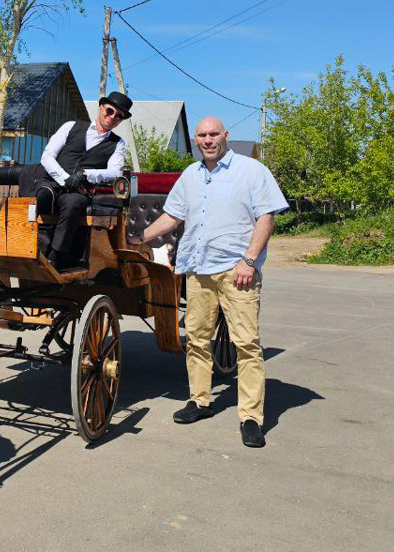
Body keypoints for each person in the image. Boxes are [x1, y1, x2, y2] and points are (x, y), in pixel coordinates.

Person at [128, 117, 288, 448]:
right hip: (198, 269)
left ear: (225, 136)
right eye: (202, 135)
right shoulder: (190, 175)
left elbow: (266, 216)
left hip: (236, 271)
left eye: (214, 134)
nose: (208, 139)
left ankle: (250, 417)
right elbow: (172, 216)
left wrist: (248, 260)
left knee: (246, 344)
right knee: (198, 340)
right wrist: (140, 238)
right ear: (196, 141)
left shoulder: (251, 171)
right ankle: (200, 401)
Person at [36, 91, 131, 270]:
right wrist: (64, 178)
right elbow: (47, 156)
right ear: (101, 107)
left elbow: (115, 171)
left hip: (78, 190)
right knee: (41, 196)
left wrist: (87, 174)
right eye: (110, 111)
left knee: (74, 203)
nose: (112, 117)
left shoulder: (118, 144)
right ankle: (32, 245)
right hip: (52, 183)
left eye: (119, 116)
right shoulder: (71, 126)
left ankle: (55, 256)